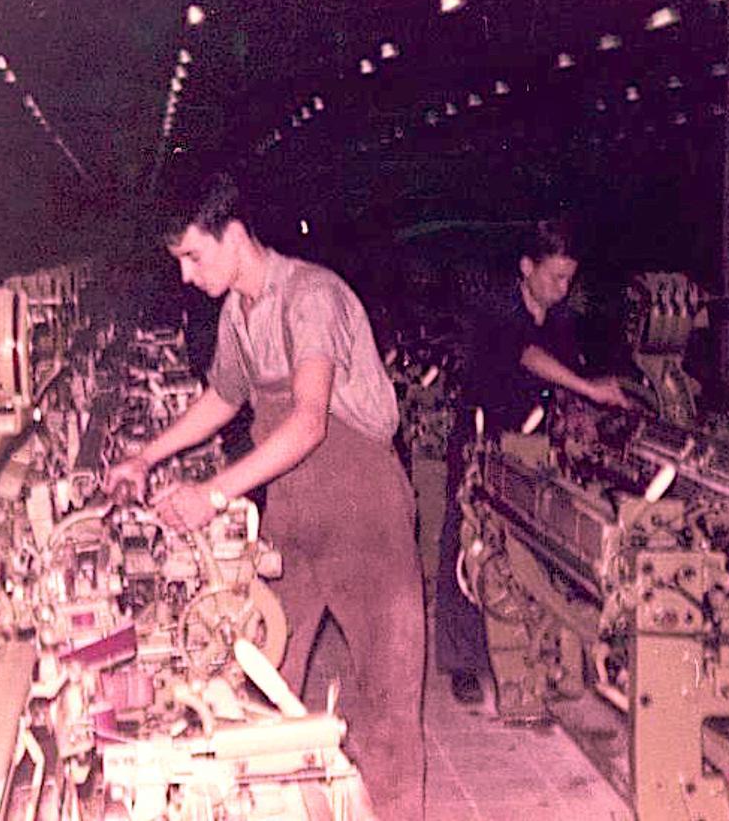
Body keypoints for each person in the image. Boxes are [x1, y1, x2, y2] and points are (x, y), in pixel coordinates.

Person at [105, 172, 425, 820]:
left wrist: (214, 494)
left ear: (234, 235)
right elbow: (222, 399)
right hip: (293, 510)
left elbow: (309, 420)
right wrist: (146, 454)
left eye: (194, 256)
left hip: (363, 506)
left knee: (387, 697)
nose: (188, 276)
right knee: (252, 676)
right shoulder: (237, 314)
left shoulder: (311, 295)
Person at [434, 216, 628, 706]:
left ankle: (540, 651)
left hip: (533, 445)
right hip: (482, 439)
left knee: (532, 546)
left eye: (568, 278)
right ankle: (462, 662)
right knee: (468, 543)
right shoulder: (497, 309)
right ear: (527, 267)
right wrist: (586, 388)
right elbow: (528, 357)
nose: (563, 288)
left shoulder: (561, 320)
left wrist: (587, 412)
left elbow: (566, 371)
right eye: (554, 277)